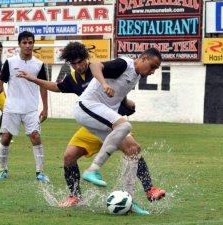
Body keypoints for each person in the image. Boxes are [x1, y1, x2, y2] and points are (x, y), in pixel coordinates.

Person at [17, 42, 165, 212]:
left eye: (80, 62)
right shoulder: (74, 78)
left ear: (86, 59)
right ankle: (76, 195)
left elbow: (114, 87)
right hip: (92, 118)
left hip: (108, 119)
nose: (78, 66)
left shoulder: (119, 71)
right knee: (69, 156)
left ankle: (142, 193)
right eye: (73, 63)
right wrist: (32, 79)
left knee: (133, 149)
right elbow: (57, 87)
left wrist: (125, 101)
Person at [73, 48, 163, 210]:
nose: (152, 71)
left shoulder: (135, 75)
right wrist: (104, 83)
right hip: (87, 107)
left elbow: (119, 88)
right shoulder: (124, 64)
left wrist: (125, 102)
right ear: (143, 58)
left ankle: (129, 201)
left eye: (156, 69)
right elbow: (94, 67)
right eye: (152, 66)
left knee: (133, 149)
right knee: (125, 125)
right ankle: (93, 169)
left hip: (102, 114)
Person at [0, 31, 49, 182]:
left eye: (30, 42)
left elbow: (43, 86)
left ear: (33, 44)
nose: (28, 45)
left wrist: (46, 107)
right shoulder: (11, 62)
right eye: (25, 42)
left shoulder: (39, 64)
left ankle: (40, 172)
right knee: (6, 138)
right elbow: (0, 83)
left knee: (35, 137)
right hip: (12, 108)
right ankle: (3, 170)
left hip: (30, 109)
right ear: (19, 44)